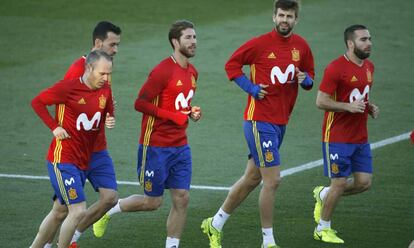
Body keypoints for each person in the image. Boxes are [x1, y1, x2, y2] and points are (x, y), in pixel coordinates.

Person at [201, 1, 314, 247]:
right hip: (258, 120)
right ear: (274, 17)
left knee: (252, 178)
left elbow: (309, 78)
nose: (285, 19)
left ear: (296, 20)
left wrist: (306, 80)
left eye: (290, 16)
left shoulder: (301, 47)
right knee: (272, 181)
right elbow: (231, 65)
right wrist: (251, 88)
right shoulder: (260, 44)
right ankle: (268, 241)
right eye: (281, 15)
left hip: (281, 122)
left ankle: (215, 223)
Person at [92, 20, 201, 248]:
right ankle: (110, 210)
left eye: (194, 37)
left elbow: (178, 104)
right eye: (188, 38)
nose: (193, 42)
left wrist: (190, 112)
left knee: (182, 198)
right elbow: (140, 103)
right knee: (153, 202)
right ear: (175, 41)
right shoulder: (163, 71)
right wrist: (173, 116)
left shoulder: (193, 73)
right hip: (156, 146)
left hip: (180, 146)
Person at [42, 21, 121, 248]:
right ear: (98, 43)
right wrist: (58, 128)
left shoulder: (104, 68)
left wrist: (106, 111)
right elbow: (61, 103)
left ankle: (71, 236)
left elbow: (101, 100)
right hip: (75, 151)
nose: (116, 49)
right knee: (61, 210)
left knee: (109, 198)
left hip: (96, 148)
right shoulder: (79, 70)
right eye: (112, 44)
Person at [30, 50, 114, 248]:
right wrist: (54, 126)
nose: (106, 78)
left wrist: (110, 117)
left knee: (59, 211)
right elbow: (38, 102)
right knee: (77, 211)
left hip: (85, 159)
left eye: (109, 73)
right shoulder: (68, 88)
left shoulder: (105, 89)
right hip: (63, 160)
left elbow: (108, 107)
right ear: (89, 68)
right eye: (102, 73)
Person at [312, 24, 379, 244]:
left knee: (363, 183)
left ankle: (323, 194)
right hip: (337, 136)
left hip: (360, 137)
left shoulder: (369, 67)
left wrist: (369, 107)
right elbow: (320, 101)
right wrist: (347, 107)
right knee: (339, 183)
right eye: (363, 39)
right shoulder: (335, 68)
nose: (368, 43)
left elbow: (359, 96)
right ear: (350, 43)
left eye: (369, 38)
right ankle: (323, 228)